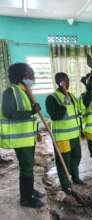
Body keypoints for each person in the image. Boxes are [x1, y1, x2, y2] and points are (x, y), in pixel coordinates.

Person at [0, 63, 45, 208]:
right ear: (21, 75)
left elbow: (30, 118)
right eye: (29, 73)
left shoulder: (25, 91)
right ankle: (26, 199)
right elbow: (9, 113)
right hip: (19, 139)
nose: (32, 75)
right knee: (26, 167)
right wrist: (32, 111)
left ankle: (30, 190)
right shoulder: (10, 92)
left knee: (29, 166)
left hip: (28, 137)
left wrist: (37, 132)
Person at [46, 72, 85, 193]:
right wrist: (64, 103)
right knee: (64, 162)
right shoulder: (52, 98)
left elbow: (77, 115)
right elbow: (55, 116)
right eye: (64, 81)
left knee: (77, 156)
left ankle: (76, 177)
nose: (67, 83)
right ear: (59, 83)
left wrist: (81, 130)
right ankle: (66, 185)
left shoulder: (72, 96)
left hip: (74, 135)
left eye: (68, 80)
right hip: (62, 137)